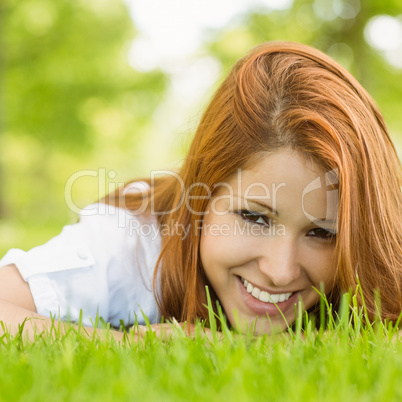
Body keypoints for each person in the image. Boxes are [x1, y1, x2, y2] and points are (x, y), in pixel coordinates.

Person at [0, 41, 401, 339]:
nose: (280, 271)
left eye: (321, 233)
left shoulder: (374, 254)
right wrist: (137, 345)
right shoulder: (133, 240)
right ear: (201, 195)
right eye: (254, 217)